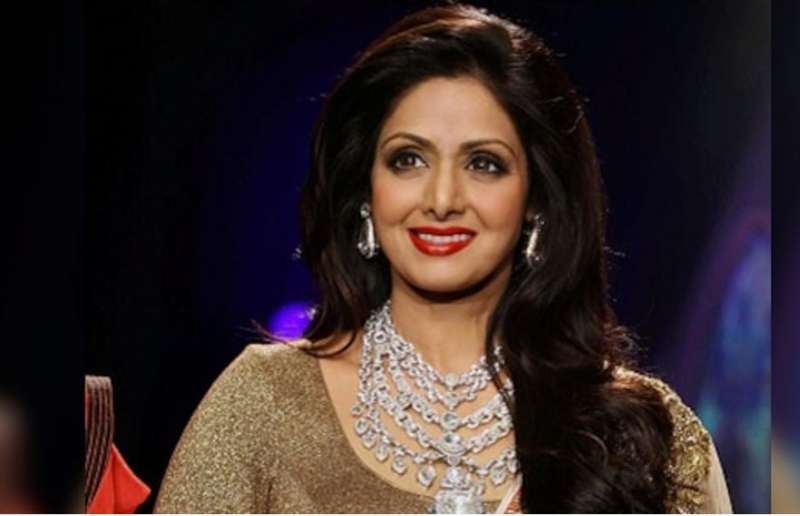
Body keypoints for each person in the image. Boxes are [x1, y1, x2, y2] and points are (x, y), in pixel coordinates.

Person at [155, 3, 732, 513]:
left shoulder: (639, 434)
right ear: (366, 192)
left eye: (484, 164)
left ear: (536, 200)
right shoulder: (263, 404)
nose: (441, 199)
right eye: (408, 160)